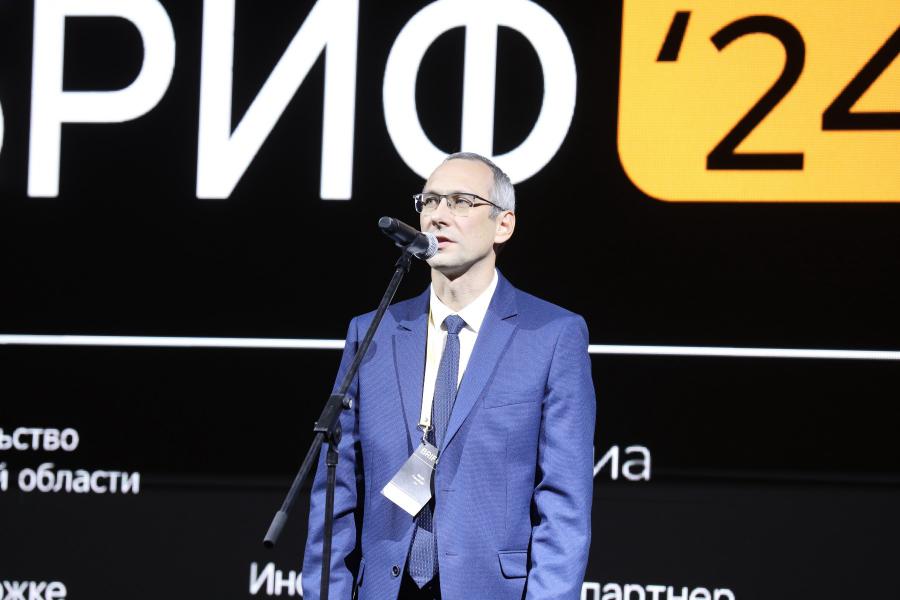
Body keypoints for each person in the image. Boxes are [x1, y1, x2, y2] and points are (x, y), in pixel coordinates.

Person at [302, 152, 595, 600]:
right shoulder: (374, 331)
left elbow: (564, 503)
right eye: (430, 201)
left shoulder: (552, 335)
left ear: (504, 225)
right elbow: (335, 491)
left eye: (461, 202)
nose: (438, 215)